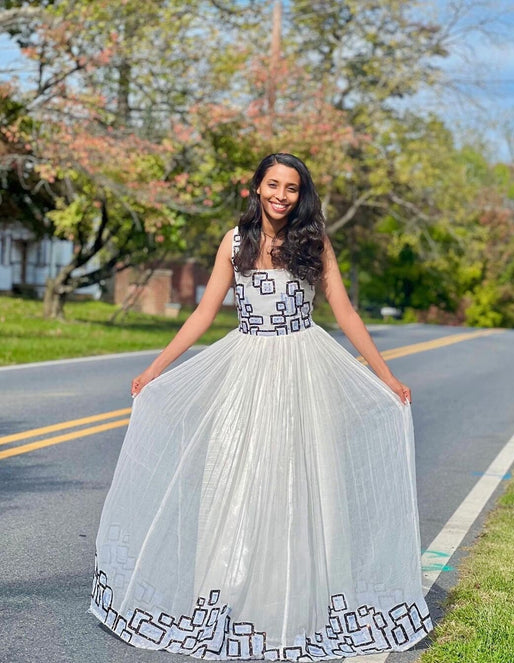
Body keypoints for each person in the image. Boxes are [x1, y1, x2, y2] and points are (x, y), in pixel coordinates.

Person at [90, 153, 433, 660]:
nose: (280, 195)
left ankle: (298, 607)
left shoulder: (314, 241)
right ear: (256, 188)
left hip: (303, 367)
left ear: (301, 195)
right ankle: (230, 600)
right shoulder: (233, 242)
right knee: (236, 480)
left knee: (301, 483)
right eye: (272, 185)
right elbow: (204, 314)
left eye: (291, 188)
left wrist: (387, 377)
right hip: (245, 367)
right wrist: (155, 369)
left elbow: (345, 311)